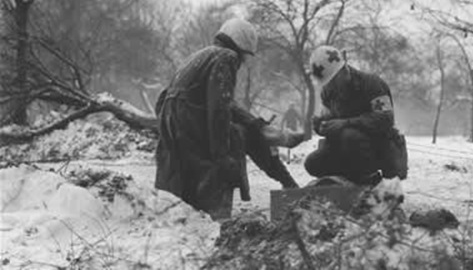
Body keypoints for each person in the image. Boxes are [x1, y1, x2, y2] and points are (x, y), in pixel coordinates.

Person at [154, 18, 303, 219]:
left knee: (249, 130)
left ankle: (287, 181)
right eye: (244, 57)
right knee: (240, 136)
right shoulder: (226, 57)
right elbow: (219, 109)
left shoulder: (198, 56)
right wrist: (222, 155)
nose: (241, 62)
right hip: (189, 123)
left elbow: (165, 99)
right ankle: (288, 184)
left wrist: (254, 122)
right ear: (241, 47)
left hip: (174, 128)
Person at [304, 45, 408, 186]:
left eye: (333, 81)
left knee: (350, 136)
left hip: (379, 147)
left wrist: (346, 123)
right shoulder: (328, 93)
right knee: (312, 164)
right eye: (328, 83)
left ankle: (369, 180)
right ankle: (347, 178)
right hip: (345, 148)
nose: (331, 87)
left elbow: (385, 119)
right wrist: (320, 125)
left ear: (344, 70)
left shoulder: (372, 84)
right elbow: (328, 120)